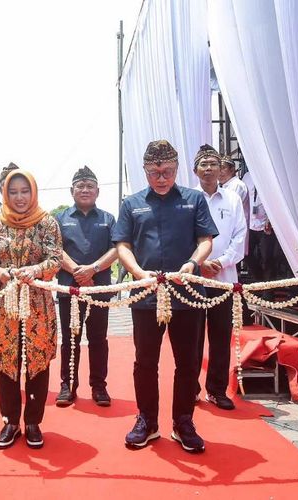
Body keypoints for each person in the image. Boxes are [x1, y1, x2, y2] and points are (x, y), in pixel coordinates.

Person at [112, 139, 216, 454]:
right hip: (145, 295)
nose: (161, 178)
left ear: (177, 169)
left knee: (187, 362)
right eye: (155, 172)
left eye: (168, 171)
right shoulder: (131, 204)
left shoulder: (194, 199)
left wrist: (192, 264)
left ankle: (184, 421)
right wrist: (138, 273)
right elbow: (122, 246)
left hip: (186, 292)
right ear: (145, 170)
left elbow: (205, 239)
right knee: (145, 361)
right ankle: (147, 420)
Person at [0, 170, 62, 450]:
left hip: (38, 305)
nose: (20, 197)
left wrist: (35, 270)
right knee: (7, 361)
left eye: (25, 191)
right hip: (6, 306)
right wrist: (1, 273)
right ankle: (11, 421)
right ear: (5, 193)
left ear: (33, 191)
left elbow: (55, 258)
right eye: (13, 192)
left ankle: (34, 422)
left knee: (37, 361)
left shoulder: (47, 222)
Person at [55, 166, 118, 408]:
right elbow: (55, 249)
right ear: (72, 190)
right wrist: (77, 272)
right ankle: (67, 384)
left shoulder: (108, 219)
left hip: (99, 288)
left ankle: (99, 385)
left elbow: (117, 249)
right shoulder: (60, 218)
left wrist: (93, 269)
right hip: (69, 289)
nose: (85, 190)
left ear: (98, 191)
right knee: (70, 339)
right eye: (80, 186)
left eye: (89, 186)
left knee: (98, 339)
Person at [193, 145, 246, 411]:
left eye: (214, 163)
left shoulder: (233, 200)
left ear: (222, 169)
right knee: (191, 336)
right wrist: (199, 264)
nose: (209, 168)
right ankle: (191, 386)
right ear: (195, 171)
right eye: (204, 164)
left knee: (220, 335)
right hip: (193, 279)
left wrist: (221, 262)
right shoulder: (188, 200)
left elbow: (239, 237)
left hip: (224, 277)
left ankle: (216, 389)